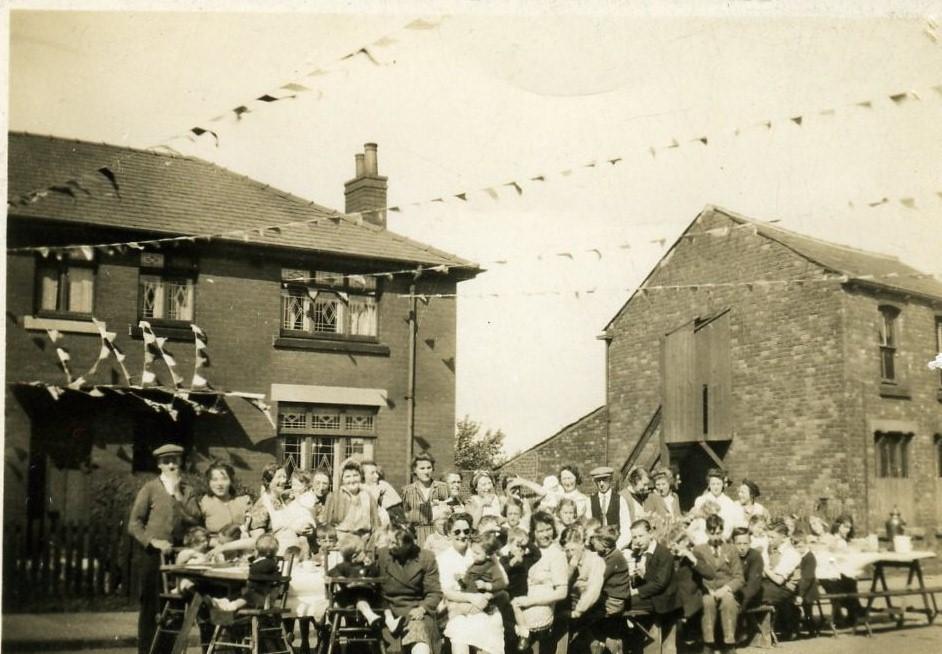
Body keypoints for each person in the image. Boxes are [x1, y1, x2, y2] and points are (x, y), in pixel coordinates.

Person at [128, 443, 202, 654]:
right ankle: (148, 650)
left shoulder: (188, 490)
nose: (171, 465)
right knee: (152, 606)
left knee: (177, 606)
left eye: (175, 460)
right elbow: (134, 523)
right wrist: (152, 541)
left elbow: (195, 519)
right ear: (159, 465)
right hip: (154, 555)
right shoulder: (150, 488)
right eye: (166, 461)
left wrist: (178, 494)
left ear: (181, 463)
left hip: (180, 556)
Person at [437, 512, 505, 654]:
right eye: (457, 531)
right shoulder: (443, 558)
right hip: (457, 608)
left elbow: (502, 580)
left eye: (466, 531)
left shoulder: (480, 550)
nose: (462, 535)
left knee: (490, 628)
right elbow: (447, 591)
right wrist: (471, 598)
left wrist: (488, 595)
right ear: (449, 534)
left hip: (485, 604)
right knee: (460, 634)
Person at [376, 524, 442, 654]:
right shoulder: (382, 555)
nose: (390, 546)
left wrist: (423, 608)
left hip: (416, 610)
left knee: (420, 640)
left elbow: (434, 592)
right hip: (389, 610)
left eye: (395, 543)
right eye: (389, 541)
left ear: (408, 544)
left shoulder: (426, 558)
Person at [510, 511, 570, 654]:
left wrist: (530, 601)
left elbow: (562, 592)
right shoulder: (526, 551)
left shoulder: (557, 555)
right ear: (533, 532)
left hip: (540, 604)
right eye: (540, 530)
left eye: (548, 529)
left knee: (528, 624)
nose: (545, 534)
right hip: (520, 600)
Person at [326, 537, 399, 631]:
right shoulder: (343, 566)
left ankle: (391, 621)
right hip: (350, 597)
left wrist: (371, 566)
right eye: (363, 552)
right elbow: (332, 572)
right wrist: (341, 578)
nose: (365, 554)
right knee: (360, 599)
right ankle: (370, 616)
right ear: (354, 556)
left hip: (368, 595)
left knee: (384, 600)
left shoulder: (367, 566)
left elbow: (376, 574)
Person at [694, 515, 743, 653]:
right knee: (707, 602)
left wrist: (726, 589)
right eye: (712, 533)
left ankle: (729, 643)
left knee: (729, 602)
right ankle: (708, 642)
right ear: (706, 532)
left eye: (718, 533)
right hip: (707, 590)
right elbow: (696, 577)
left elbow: (739, 577)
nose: (716, 537)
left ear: (722, 531)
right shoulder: (699, 550)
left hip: (725, 590)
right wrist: (706, 589)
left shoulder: (731, 549)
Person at [561, 524, 606, 654]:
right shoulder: (564, 559)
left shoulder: (595, 560)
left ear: (582, 545)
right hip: (570, 605)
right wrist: (570, 569)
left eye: (573, 550)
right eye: (567, 550)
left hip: (591, 607)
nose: (570, 554)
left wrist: (578, 611)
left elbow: (593, 590)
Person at [211, 533, 281, 612]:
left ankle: (231, 606)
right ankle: (225, 601)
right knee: (240, 592)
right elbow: (254, 564)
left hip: (264, 598)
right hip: (260, 592)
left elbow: (255, 570)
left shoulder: (267, 563)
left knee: (247, 595)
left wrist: (248, 569)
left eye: (255, 550)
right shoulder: (265, 561)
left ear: (257, 550)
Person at [322, 459, 381, 546]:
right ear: (342, 479)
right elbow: (326, 526)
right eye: (348, 476)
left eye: (355, 475)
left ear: (361, 477)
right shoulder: (333, 497)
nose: (352, 480)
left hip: (364, 543)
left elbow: (376, 526)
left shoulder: (368, 497)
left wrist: (371, 546)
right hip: (340, 544)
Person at [819, 514, 863, 627]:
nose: (847, 530)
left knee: (850, 581)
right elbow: (827, 556)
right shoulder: (830, 537)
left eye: (849, 528)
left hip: (841, 571)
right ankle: (845, 614)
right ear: (838, 525)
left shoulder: (844, 540)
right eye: (845, 527)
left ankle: (852, 613)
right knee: (841, 584)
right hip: (829, 571)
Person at [760, 520, 801, 638]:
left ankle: (758, 631)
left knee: (755, 594)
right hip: (771, 583)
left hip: (786, 589)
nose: (769, 540)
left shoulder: (791, 554)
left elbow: (779, 580)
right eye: (768, 537)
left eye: (772, 537)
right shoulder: (770, 548)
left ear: (783, 537)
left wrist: (765, 568)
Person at [626, 519, 675, 614]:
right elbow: (644, 579)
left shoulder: (663, 553)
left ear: (650, 534)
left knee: (622, 603)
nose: (638, 541)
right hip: (649, 595)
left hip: (662, 598)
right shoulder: (639, 553)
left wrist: (636, 591)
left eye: (641, 536)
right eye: (634, 537)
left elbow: (660, 583)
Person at [401, 453, 450, 547]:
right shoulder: (407, 490)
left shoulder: (442, 487)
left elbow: (450, 514)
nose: (426, 471)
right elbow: (404, 518)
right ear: (415, 470)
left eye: (429, 467)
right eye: (422, 468)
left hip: (439, 537)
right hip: (417, 538)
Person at [198, 461, 252, 542]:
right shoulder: (204, 503)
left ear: (231, 481)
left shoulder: (243, 501)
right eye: (214, 480)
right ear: (209, 482)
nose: (220, 484)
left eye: (224, 479)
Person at [460, 531, 510, 614]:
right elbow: (467, 584)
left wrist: (486, 586)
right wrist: (460, 581)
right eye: (473, 552)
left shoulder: (492, 566)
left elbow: (502, 583)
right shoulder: (474, 565)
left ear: (488, 554)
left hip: (484, 602)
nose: (473, 555)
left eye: (477, 553)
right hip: (470, 598)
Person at [693, 469, 744, 539]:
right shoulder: (701, 500)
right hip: (704, 537)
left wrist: (723, 537)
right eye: (713, 484)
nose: (716, 487)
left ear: (723, 484)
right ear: (709, 485)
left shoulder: (729, 503)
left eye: (718, 484)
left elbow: (730, 523)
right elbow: (698, 522)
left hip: (722, 538)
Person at [587, 467, 631, 541]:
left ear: (610, 480)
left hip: (617, 543)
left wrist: (618, 546)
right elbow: (588, 528)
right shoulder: (590, 501)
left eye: (604, 480)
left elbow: (626, 527)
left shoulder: (620, 500)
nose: (601, 484)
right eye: (598, 480)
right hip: (597, 544)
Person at [362, 460, 405, 526]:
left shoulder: (381, 485)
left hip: (394, 516)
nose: (377, 476)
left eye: (376, 472)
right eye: (372, 473)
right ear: (362, 476)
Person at [731, 527, 763, 610]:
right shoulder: (728, 555)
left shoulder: (755, 556)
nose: (742, 547)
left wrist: (741, 603)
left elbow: (753, 585)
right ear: (733, 543)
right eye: (739, 543)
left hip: (747, 597)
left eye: (745, 544)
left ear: (750, 543)